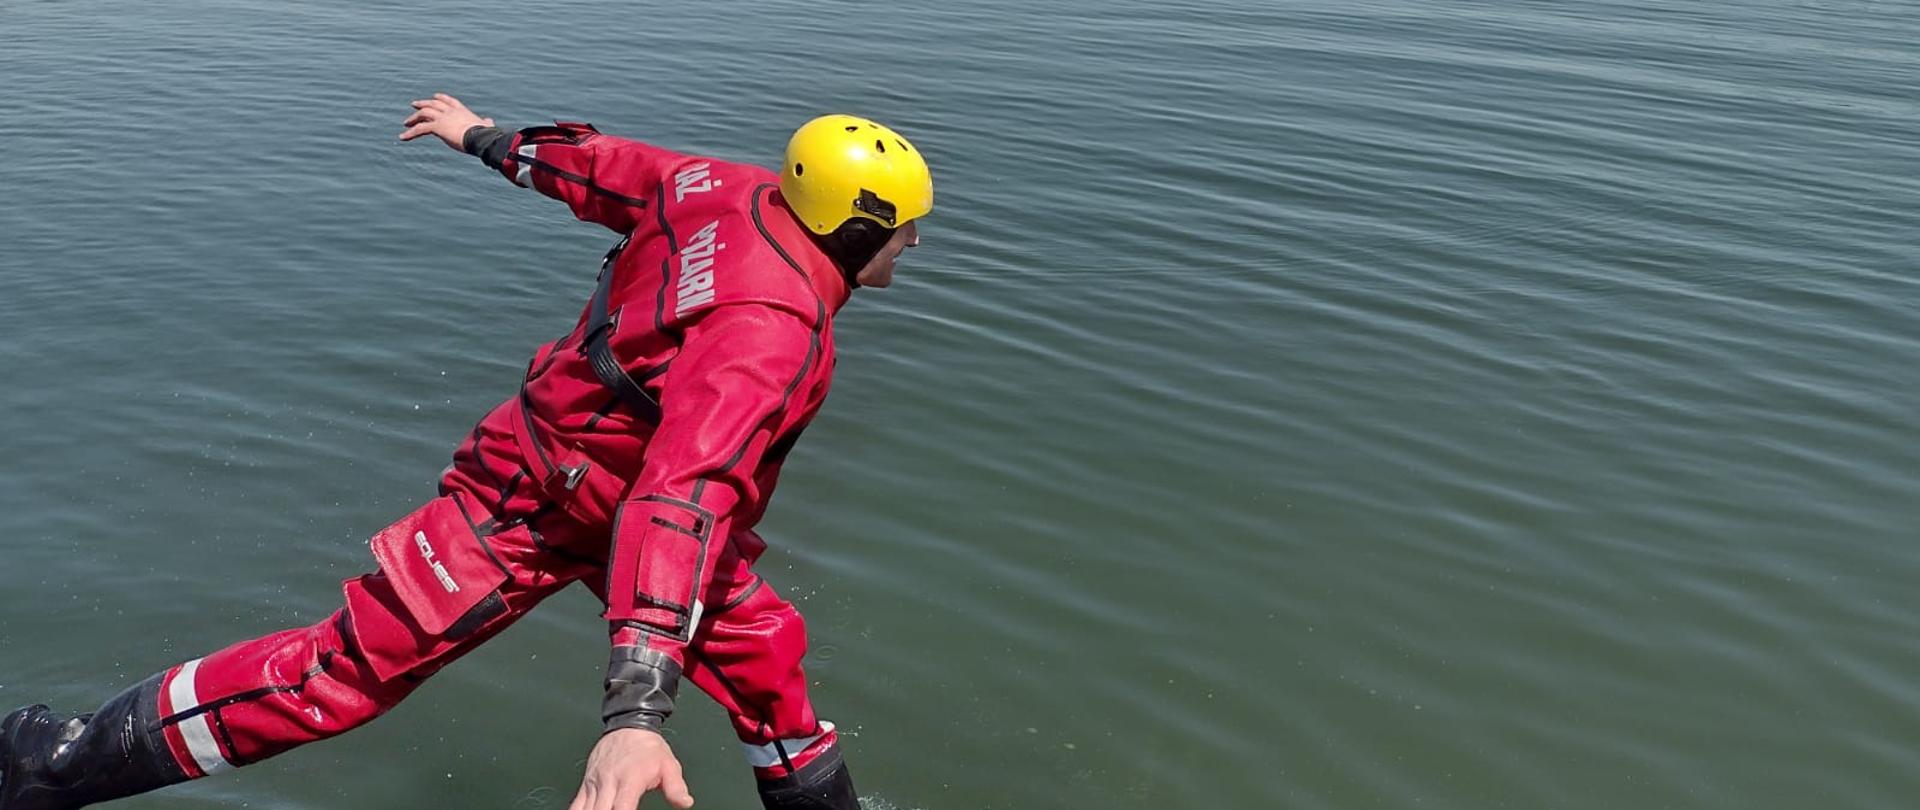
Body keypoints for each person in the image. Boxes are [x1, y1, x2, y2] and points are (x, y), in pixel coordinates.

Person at [0, 93, 933, 810]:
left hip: (620, 491)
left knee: (769, 670)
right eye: (904, 228)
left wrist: (483, 137)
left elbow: (601, 169)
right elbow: (678, 499)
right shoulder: (771, 331)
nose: (915, 241)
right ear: (853, 228)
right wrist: (636, 714)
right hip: (536, 494)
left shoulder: (724, 187)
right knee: (341, 674)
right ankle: (54, 764)